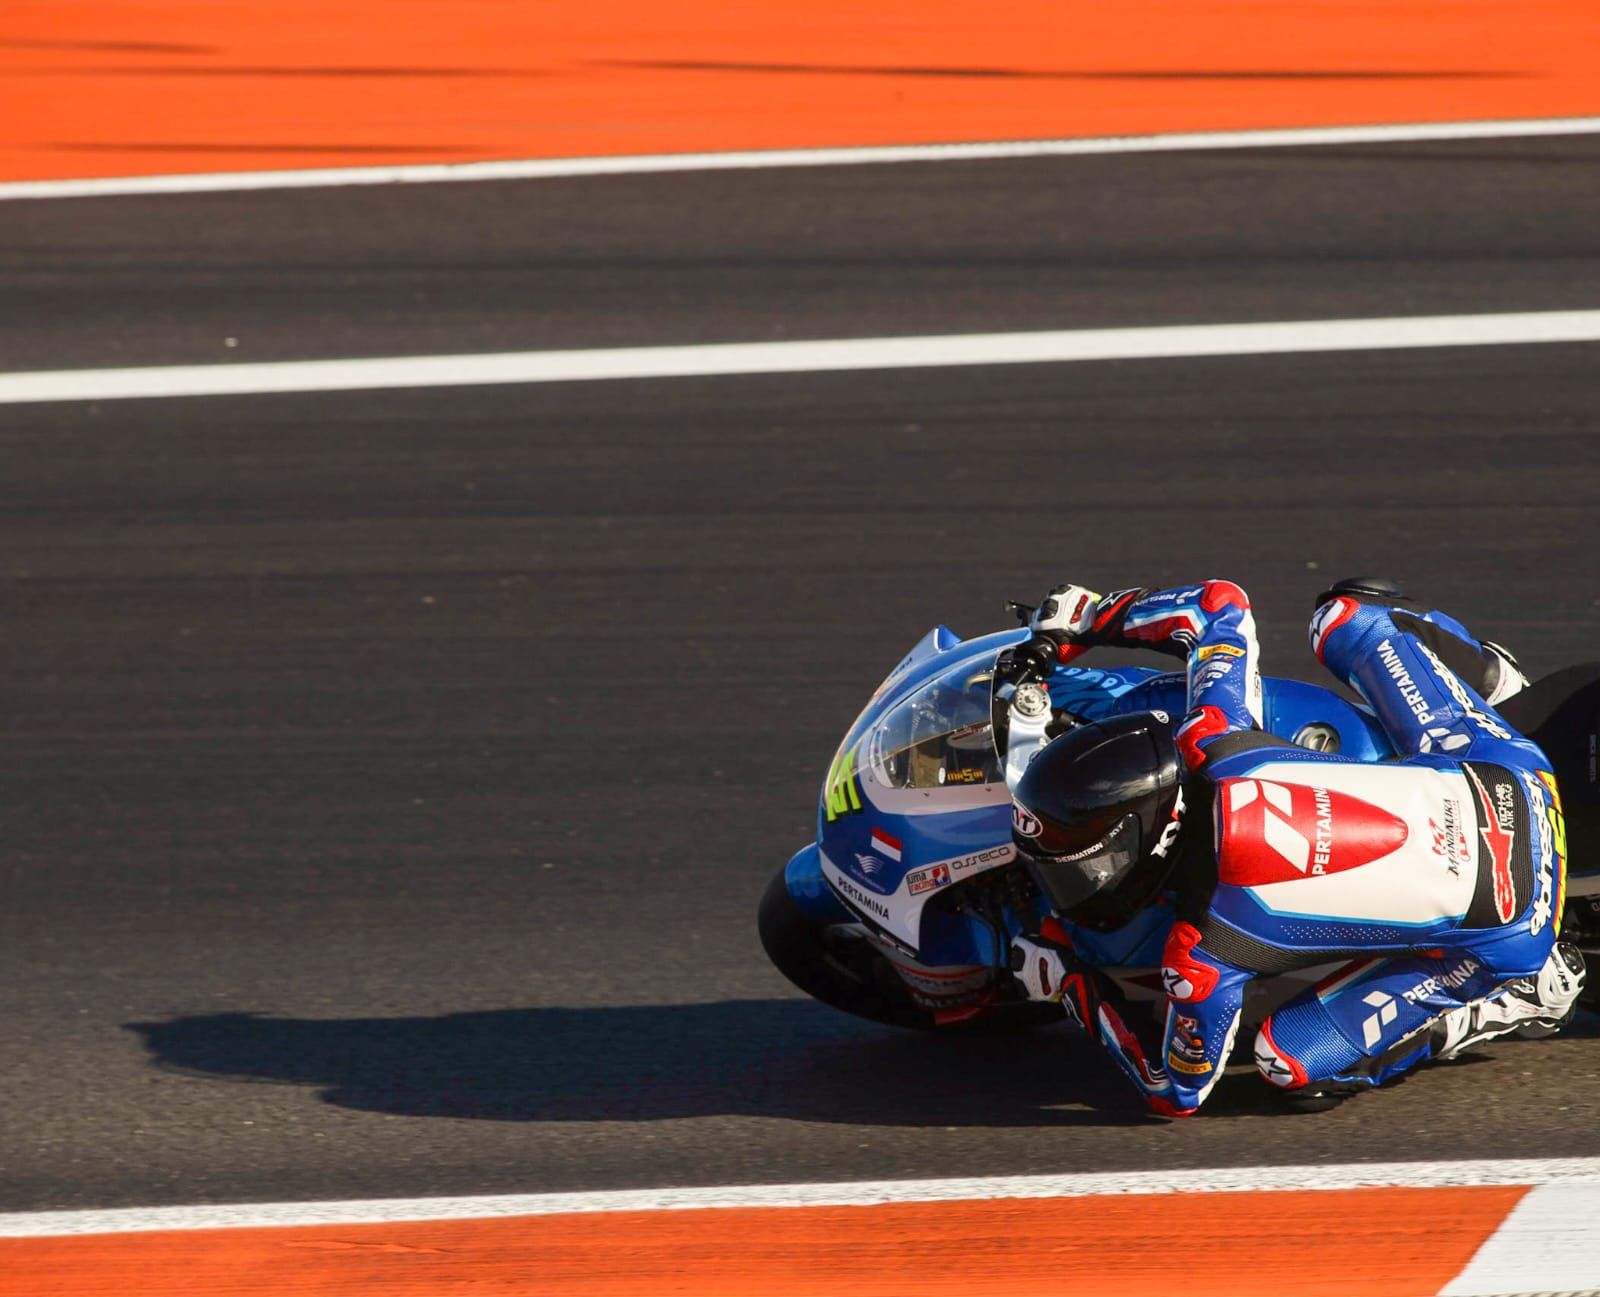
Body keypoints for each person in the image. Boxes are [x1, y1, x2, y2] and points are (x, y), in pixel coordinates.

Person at [1005, 577, 1585, 1115]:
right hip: (1510, 774)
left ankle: (1504, 1000)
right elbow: (1218, 605)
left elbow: (1177, 1089)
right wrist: (1087, 621)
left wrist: (1071, 985)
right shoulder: (1213, 734)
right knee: (1345, 615)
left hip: (1512, 931)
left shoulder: (1203, 954)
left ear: (1157, 843)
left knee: (1287, 1063)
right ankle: (1487, 688)